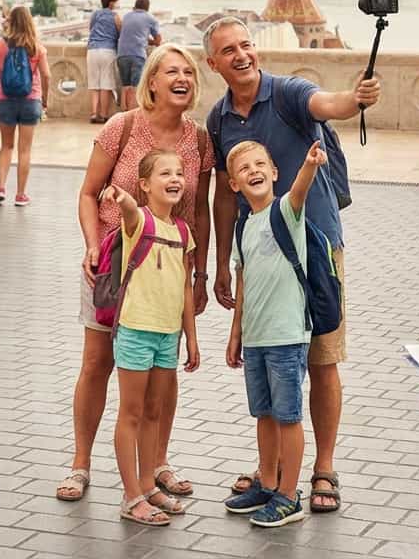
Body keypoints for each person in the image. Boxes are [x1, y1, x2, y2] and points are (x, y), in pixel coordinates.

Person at [205, 16, 380, 514]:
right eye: (229, 50)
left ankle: (322, 467)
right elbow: (223, 196)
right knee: (269, 364)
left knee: (321, 360)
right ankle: (275, 473)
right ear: (212, 63)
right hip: (260, 258)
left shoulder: (287, 92)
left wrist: (356, 99)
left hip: (316, 249)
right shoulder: (219, 119)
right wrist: (221, 264)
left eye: (246, 45)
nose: (242, 55)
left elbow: (329, 104)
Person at [58, 42, 213, 504]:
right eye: (171, 72)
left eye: (188, 72)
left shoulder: (199, 140)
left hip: (166, 275)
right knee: (97, 364)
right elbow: (89, 193)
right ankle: (80, 463)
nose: (181, 78)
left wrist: (201, 274)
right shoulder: (121, 127)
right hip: (111, 269)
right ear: (151, 82)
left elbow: (198, 211)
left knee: (162, 372)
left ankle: (157, 464)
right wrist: (89, 246)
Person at [224, 139, 328, 527]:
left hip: (287, 335)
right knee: (264, 413)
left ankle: (288, 495)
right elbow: (243, 281)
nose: (253, 171)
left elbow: (300, 190)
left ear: (274, 173)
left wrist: (310, 165)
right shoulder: (242, 227)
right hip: (256, 337)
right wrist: (236, 333)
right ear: (234, 184)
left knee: (287, 416)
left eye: (260, 165)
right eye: (244, 168)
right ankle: (267, 484)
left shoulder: (285, 213)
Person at [102, 151, 199, 527]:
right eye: (164, 173)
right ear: (145, 184)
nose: (175, 178)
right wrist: (122, 198)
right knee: (132, 412)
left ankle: (148, 484)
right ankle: (131, 496)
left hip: (167, 335)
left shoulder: (183, 232)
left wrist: (191, 338)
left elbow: (186, 290)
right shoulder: (139, 220)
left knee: (155, 413)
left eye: (179, 172)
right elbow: (127, 210)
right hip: (135, 330)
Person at [0, 5, 50, 206]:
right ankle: (21, 194)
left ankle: (0, 187)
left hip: (5, 100)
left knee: (6, 146)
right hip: (31, 100)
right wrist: (45, 100)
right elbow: (47, 75)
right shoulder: (36, 47)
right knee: (25, 150)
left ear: (11, 21)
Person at [117, 0, 161, 111]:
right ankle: (132, 115)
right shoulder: (150, 18)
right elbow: (158, 40)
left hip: (122, 54)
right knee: (136, 87)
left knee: (125, 86)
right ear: (147, 7)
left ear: (135, 6)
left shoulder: (126, 16)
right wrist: (148, 40)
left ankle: (123, 115)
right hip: (137, 54)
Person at [87, 0, 122, 123]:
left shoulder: (95, 14)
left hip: (92, 50)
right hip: (108, 51)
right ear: (112, 3)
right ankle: (103, 114)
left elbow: (91, 29)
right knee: (105, 84)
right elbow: (120, 33)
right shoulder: (115, 16)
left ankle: (93, 113)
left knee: (94, 84)